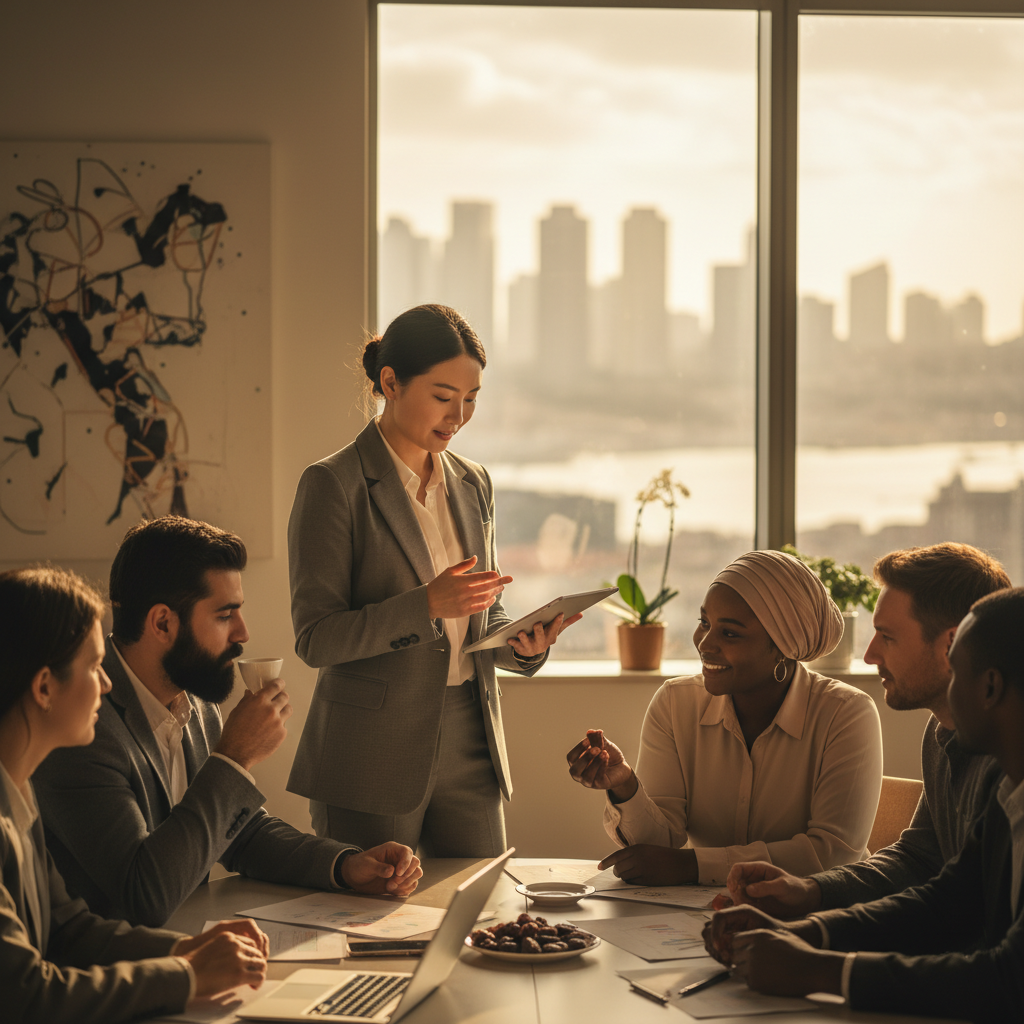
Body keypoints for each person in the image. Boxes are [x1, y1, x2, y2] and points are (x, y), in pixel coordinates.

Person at [286, 304, 578, 856]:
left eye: (470, 400)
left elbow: (480, 612)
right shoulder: (332, 484)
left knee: (482, 910)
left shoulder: (473, 482)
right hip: (371, 751)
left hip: (472, 734)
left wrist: (523, 645)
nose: (459, 415)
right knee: (374, 929)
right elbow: (316, 637)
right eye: (444, 397)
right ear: (390, 383)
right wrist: (425, 604)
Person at [34, 517, 421, 928]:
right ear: (163, 623)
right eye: (225, 616)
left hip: (191, 939)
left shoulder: (195, 699)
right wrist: (234, 757)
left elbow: (239, 833)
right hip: (112, 967)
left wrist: (345, 866)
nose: (243, 633)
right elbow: (142, 894)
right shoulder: (80, 725)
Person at [703, 587, 1024, 1022]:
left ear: (989, 686)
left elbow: (1008, 981)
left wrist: (820, 970)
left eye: (957, 670)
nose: (950, 688)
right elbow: (948, 901)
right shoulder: (1010, 791)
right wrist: (805, 931)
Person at [0, 565, 271, 1024]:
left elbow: (69, 929)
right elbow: (26, 996)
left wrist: (188, 948)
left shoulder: (18, 789)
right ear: (44, 687)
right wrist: (187, 977)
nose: (106, 683)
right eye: (92, 666)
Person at [719, 543, 1008, 918]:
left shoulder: (1008, 758)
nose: (870, 655)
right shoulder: (941, 730)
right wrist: (811, 890)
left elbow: (977, 925)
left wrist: (828, 956)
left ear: (951, 645)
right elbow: (920, 858)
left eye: (887, 637)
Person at [566, 549, 883, 887]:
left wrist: (693, 866)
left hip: (815, 919)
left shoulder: (846, 713)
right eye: (704, 623)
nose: (704, 643)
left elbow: (833, 855)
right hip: (699, 917)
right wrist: (626, 786)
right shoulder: (676, 703)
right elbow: (662, 847)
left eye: (729, 633)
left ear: (782, 647)